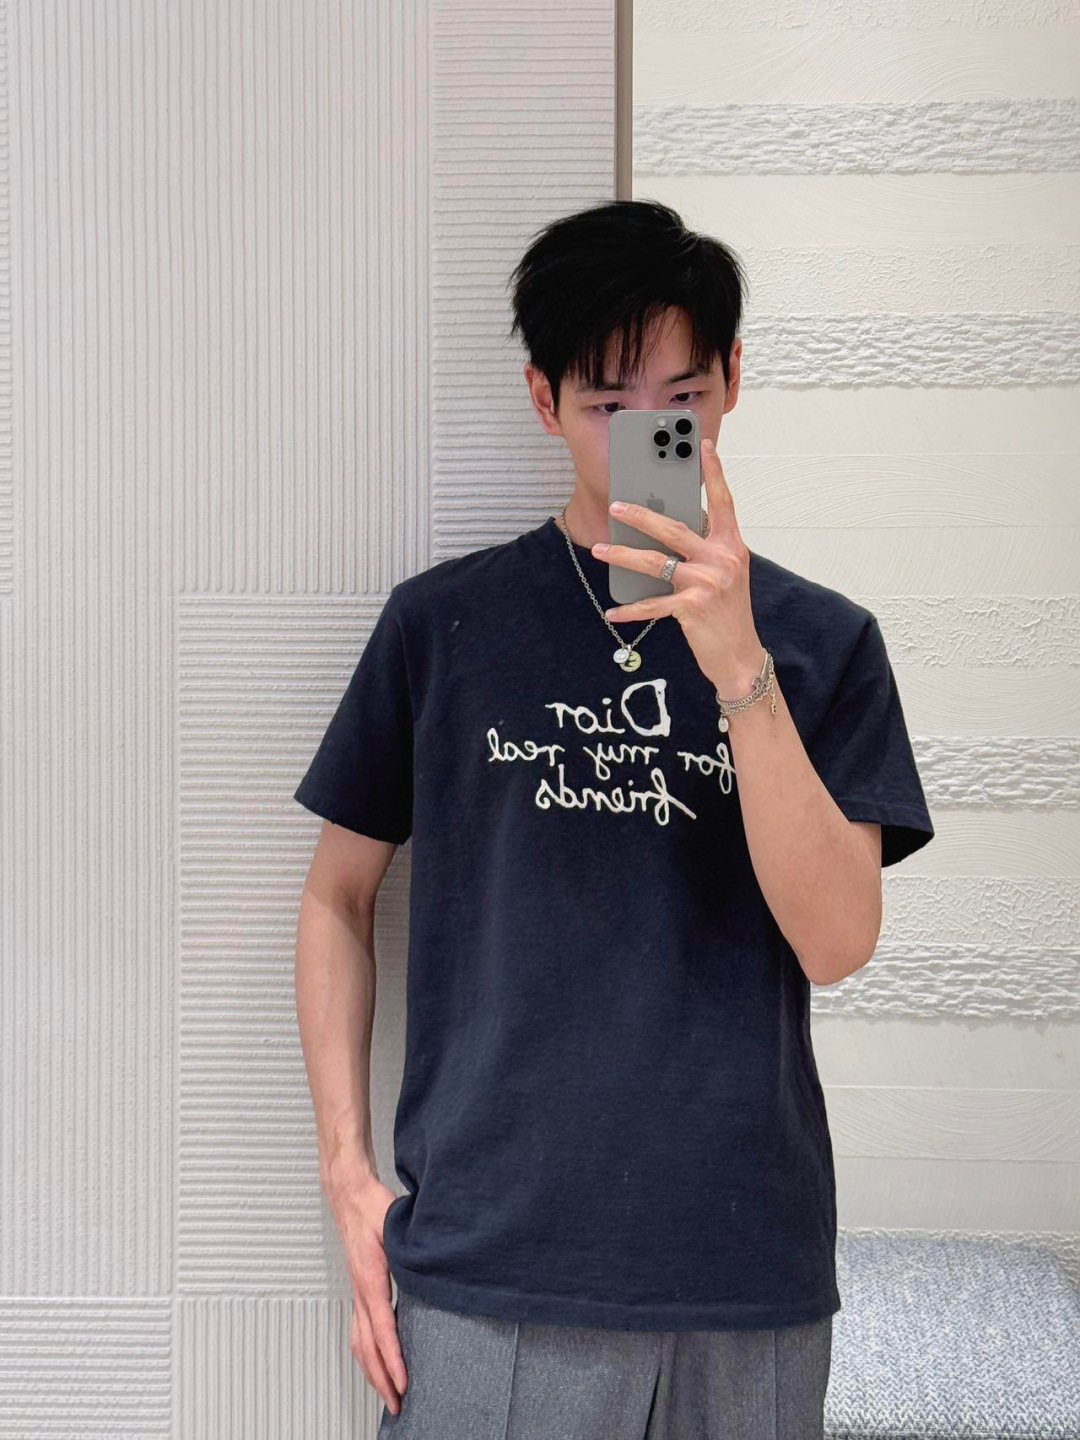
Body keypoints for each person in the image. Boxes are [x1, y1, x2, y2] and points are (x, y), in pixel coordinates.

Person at [291, 199, 935, 1439]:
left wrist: (736, 660)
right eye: (606, 403)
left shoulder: (822, 643)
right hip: (487, 1262)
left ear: (733, 378)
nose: (649, 432)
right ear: (544, 400)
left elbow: (838, 941)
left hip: (743, 1268)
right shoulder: (445, 626)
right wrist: (348, 1178)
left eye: (680, 395)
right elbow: (336, 895)